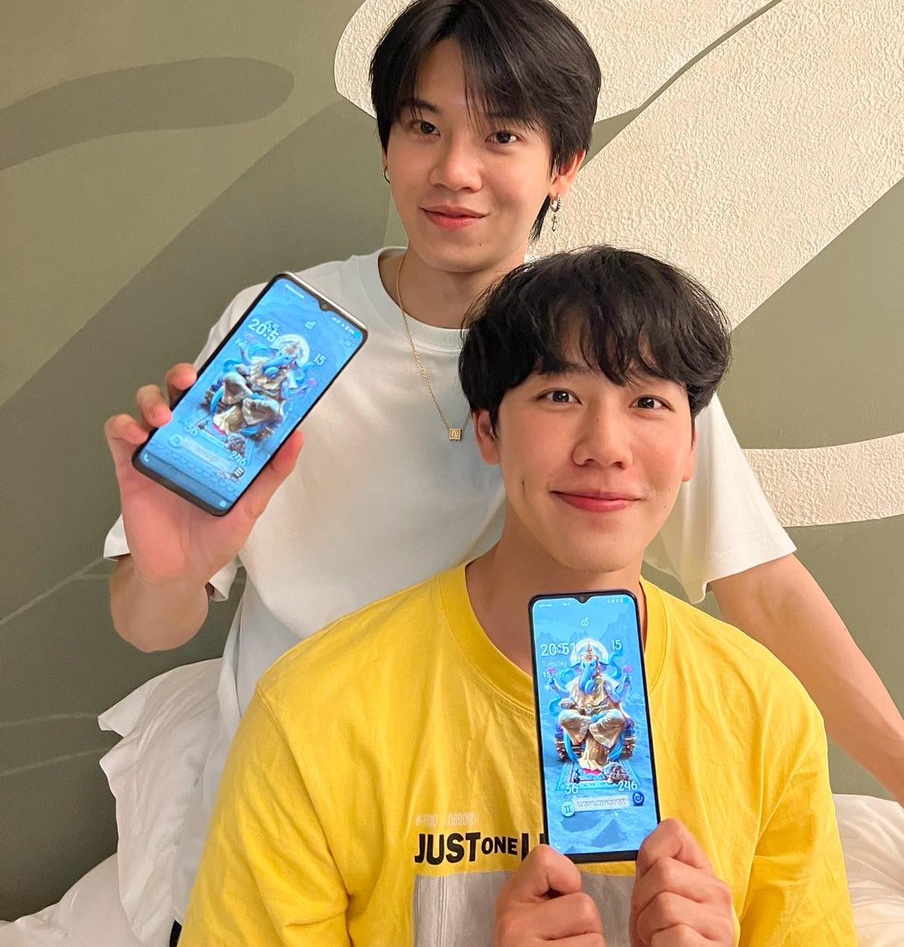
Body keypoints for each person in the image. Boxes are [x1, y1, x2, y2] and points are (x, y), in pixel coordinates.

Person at [103, 0, 904, 931]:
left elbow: (767, 594)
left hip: (514, 836)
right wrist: (167, 572)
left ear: (564, 166)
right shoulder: (289, 337)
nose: (455, 172)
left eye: (502, 135)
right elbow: (152, 619)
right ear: (386, 145)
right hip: (298, 825)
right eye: (423, 128)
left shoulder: (617, 355)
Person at [178, 247, 857, 945]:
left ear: (691, 449)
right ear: (488, 430)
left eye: (648, 402)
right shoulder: (313, 713)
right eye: (559, 396)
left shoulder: (769, 716)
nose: (605, 446)